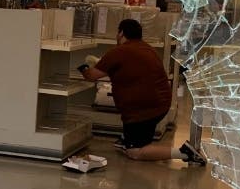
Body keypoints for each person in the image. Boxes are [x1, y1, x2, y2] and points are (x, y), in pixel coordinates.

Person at [78, 18, 205, 164]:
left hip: (143, 111)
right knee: (134, 139)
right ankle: (127, 139)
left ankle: (185, 153)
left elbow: (91, 76)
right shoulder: (146, 48)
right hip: (159, 103)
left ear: (121, 33)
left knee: (135, 152)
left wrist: (83, 66)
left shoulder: (119, 51)